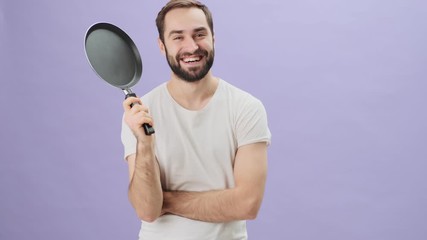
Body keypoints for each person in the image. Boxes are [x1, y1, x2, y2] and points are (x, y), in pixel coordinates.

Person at [121, 0, 271, 239]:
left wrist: (165, 200)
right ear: (162, 45)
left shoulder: (246, 108)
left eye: (199, 34)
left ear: (213, 38)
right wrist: (145, 145)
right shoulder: (140, 115)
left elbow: (247, 205)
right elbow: (147, 210)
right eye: (178, 37)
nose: (191, 47)